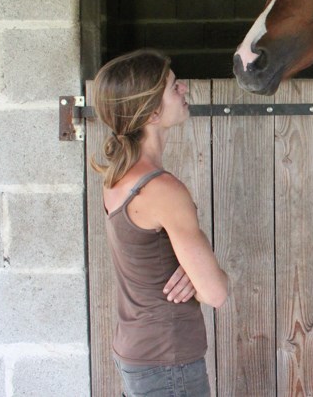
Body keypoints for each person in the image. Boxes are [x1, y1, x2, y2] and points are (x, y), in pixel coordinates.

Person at [90, 49, 229, 397]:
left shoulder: (117, 177)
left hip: (138, 351)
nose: (183, 88)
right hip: (168, 360)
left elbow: (149, 259)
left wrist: (190, 268)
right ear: (152, 111)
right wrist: (201, 270)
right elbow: (216, 292)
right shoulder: (162, 189)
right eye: (172, 87)